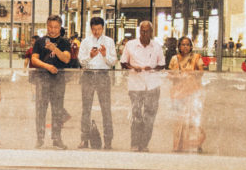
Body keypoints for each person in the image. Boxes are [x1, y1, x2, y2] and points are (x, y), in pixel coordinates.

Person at [120, 20, 166, 153]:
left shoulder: (157, 46)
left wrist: (151, 68)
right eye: (142, 31)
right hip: (135, 86)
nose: (144, 34)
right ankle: (134, 143)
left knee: (149, 116)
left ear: (152, 32)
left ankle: (144, 143)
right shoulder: (131, 45)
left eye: (147, 31)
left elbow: (162, 64)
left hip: (152, 85)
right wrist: (133, 67)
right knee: (136, 116)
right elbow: (123, 63)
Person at [29, 14, 71, 149]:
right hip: (42, 80)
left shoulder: (65, 42)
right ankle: (39, 138)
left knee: (57, 110)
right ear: (47, 26)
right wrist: (47, 66)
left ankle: (56, 138)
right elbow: (34, 59)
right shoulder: (40, 42)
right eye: (50, 27)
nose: (53, 30)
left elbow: (66, 59)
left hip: (58, 81)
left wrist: (54, 49)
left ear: (60, 27)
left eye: (56, 27)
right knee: (40, 110)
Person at [77, 15, 116, 150]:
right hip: (88, 75)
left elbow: (112, 62)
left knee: (106, 109)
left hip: (103, 75)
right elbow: (81, 61)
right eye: (94, 29)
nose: (96, 32)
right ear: (91, 29)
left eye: (99, 29)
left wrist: (104, 55)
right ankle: (84, 139)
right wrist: (90, 56)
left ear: (103, 28)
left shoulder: (109, 42)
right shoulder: (85, 42)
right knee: (86, 109)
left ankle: (108, 140)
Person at [168, 36, 207, 153]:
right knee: (179, 120)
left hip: (193, 93)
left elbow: (201, 72)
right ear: (179, 46)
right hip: (178, 94)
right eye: (183, 44)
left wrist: (190, 74)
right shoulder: (175, 59)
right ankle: (178, 146)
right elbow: (170, 74)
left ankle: (194, 144)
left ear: (191, 46)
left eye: (187, 44)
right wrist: (178, 76)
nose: (185, 47)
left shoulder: (196, 58)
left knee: (192, 119)